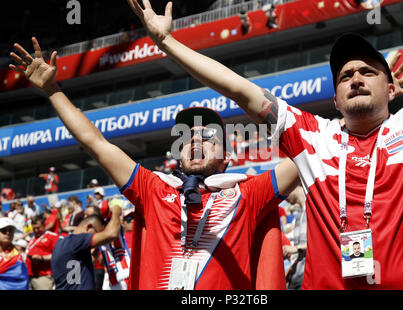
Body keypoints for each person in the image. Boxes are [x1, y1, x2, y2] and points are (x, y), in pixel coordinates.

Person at [117, 1, 403, 289]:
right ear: (335, 99)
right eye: (346, 76)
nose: (357, 79)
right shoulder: (312, 135)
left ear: (391, 89)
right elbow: (238, 89)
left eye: (368, 72)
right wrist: (167, 42)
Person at [8, 34, 299, 290]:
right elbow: (95, 143)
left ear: (227, 157)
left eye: (209, 135)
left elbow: (306, 150)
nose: (195, 140)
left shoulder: (249, 194)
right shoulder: (153, 188)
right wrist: (53, 91)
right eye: (185, 136)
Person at [51, 206, 122, 290]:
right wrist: (116, 212)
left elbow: (84, 266)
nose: (99, 240)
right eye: (98, 234)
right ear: (88, 227)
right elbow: (112, 234)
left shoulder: (65, 242)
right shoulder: (76, 240)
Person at [26, 215, 59, 290]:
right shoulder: (33, 238)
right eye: (34, 228)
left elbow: (58, 255)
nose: (36, 230)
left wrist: (41, 258)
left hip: (43, 276)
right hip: (30, 275)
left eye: (38, 228)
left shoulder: (52, 237)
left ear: (44, 226)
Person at [0, 217, 29, 290]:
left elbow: (23, 281)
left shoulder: (20, 256)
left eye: (11, 230)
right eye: (4, 230)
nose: (8, 233)